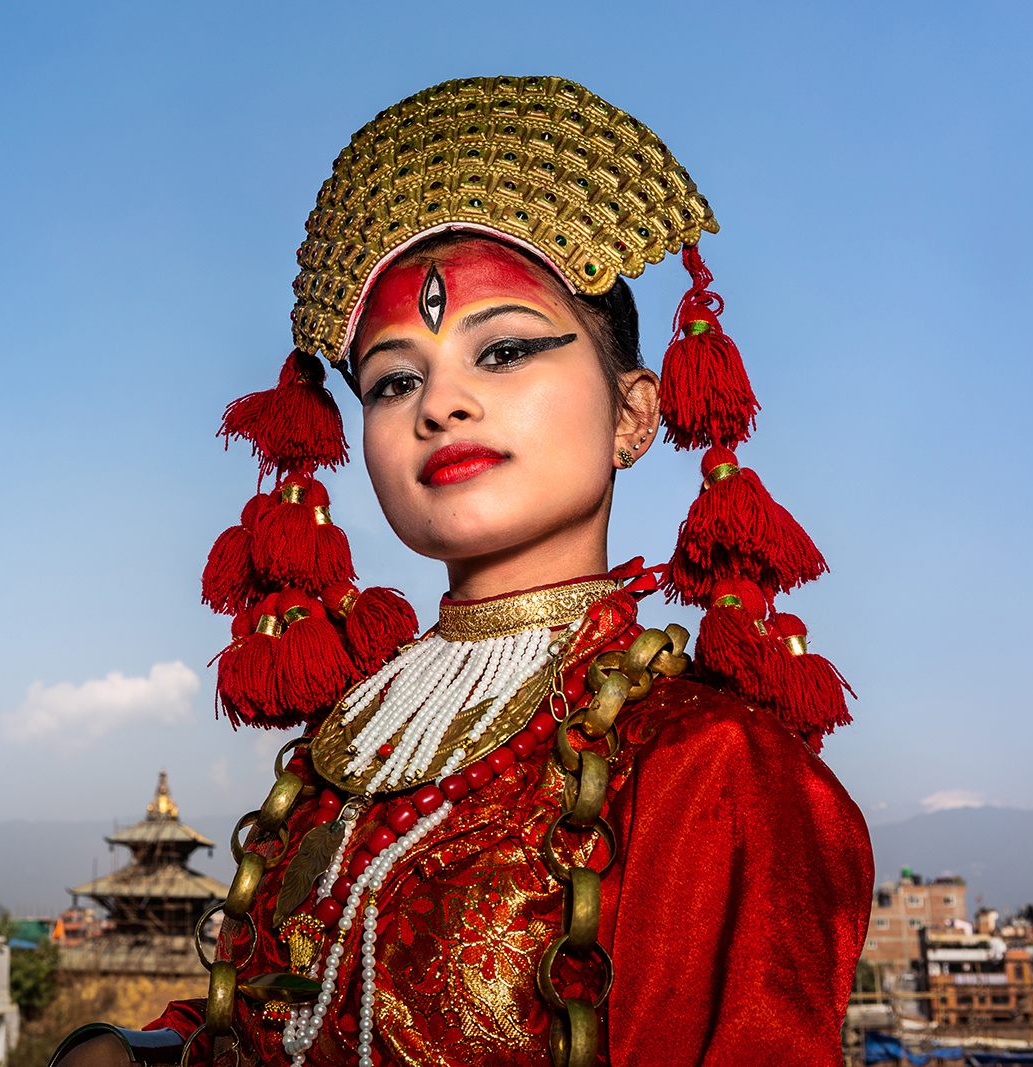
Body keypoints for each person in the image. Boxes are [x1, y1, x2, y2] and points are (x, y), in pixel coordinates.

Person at [51, 75, 870, 1067]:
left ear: (634, 413)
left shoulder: (707, 762)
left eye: (505, 350)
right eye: (394, 378)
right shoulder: (352, 738)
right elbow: (274, 1010)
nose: (439, 404)